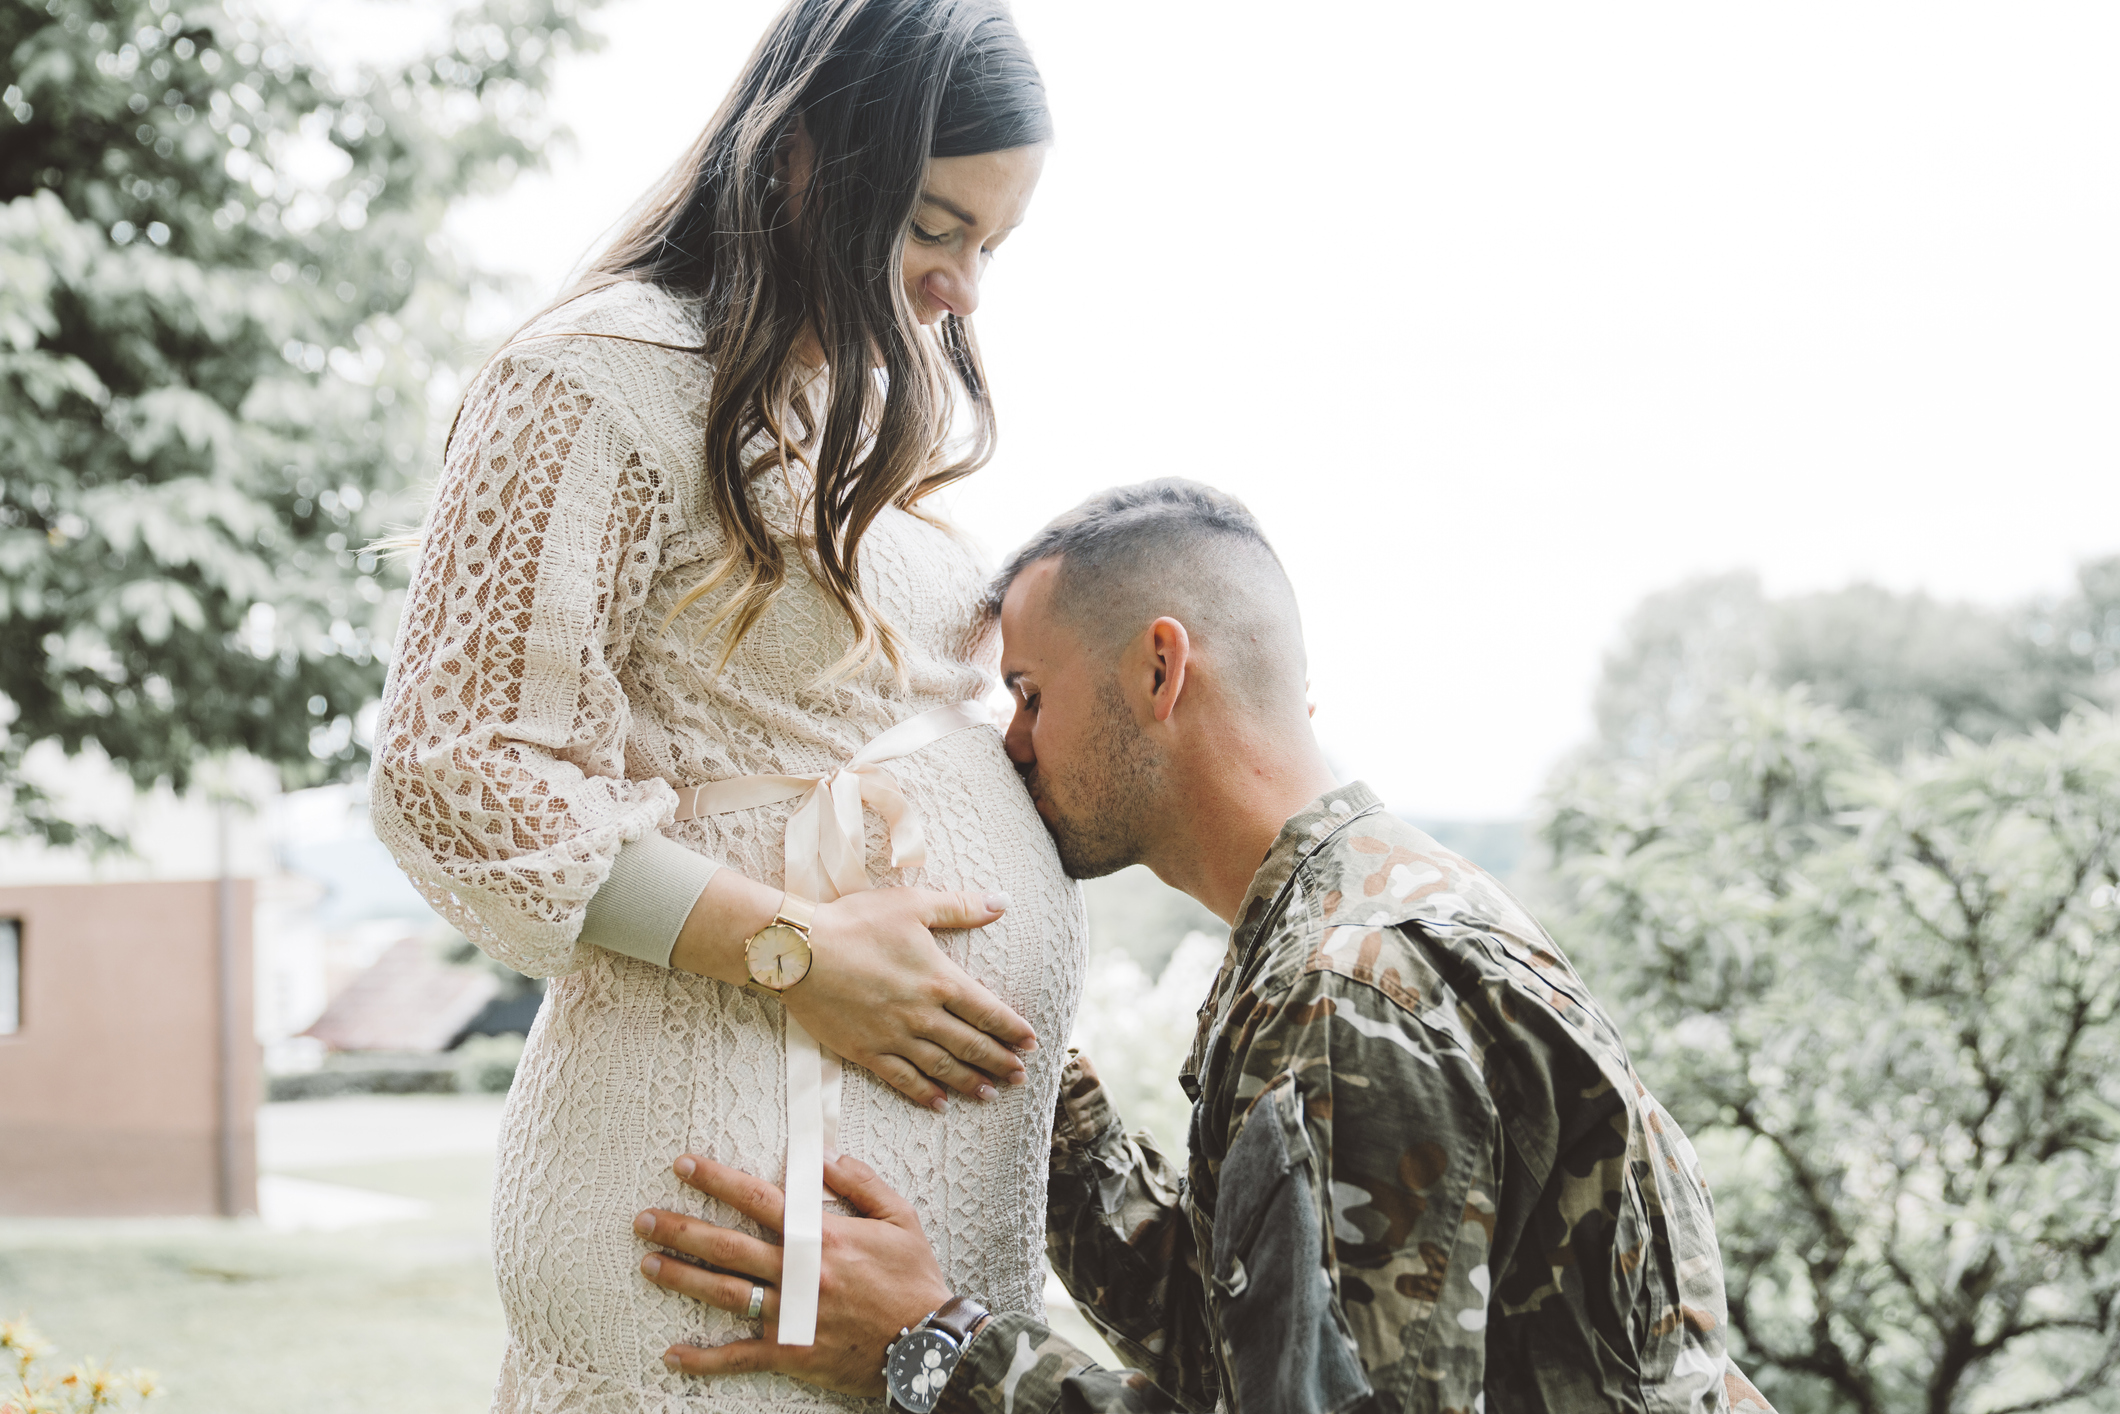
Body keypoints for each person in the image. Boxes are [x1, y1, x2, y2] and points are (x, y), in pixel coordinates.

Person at [625, 480, 1779, 1412]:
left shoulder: (1345, 996)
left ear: (1159, 668)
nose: (1010, 745)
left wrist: (933, 1352)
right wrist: (1018, 1063)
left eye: (1026, 693)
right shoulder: (1369, 910)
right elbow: (1242, 1340)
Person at [369, 3, 1084, 1409]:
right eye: (938, 227)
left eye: (991, 246)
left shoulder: (845, 408)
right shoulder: (600, 374)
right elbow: (457, 768)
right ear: (811, 157)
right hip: (717, 1214)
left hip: (896, 1275)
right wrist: (795, 952)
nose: (964, 291)